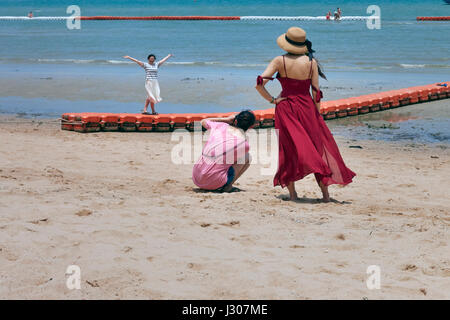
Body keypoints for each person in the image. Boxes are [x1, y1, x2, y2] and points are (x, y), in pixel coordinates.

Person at [255, 27, 355, 202]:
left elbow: (258, 84)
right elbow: (316, 92)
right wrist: (317, 115)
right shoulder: (311, 62)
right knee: (318, 148)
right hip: (307, 108)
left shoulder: (280, 61)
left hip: (286, 108)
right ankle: (325, 196)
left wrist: (272, 100)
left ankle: (293, 195)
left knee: (288, 150)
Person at [192, 111, 255, 192]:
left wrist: (226, 119)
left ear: (235, 121)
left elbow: (203, 121)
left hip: (197, 177)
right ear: (251, 127)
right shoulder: (244, 144)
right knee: (247, 157)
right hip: (214, 182)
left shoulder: (220, 125)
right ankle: (228, 186)